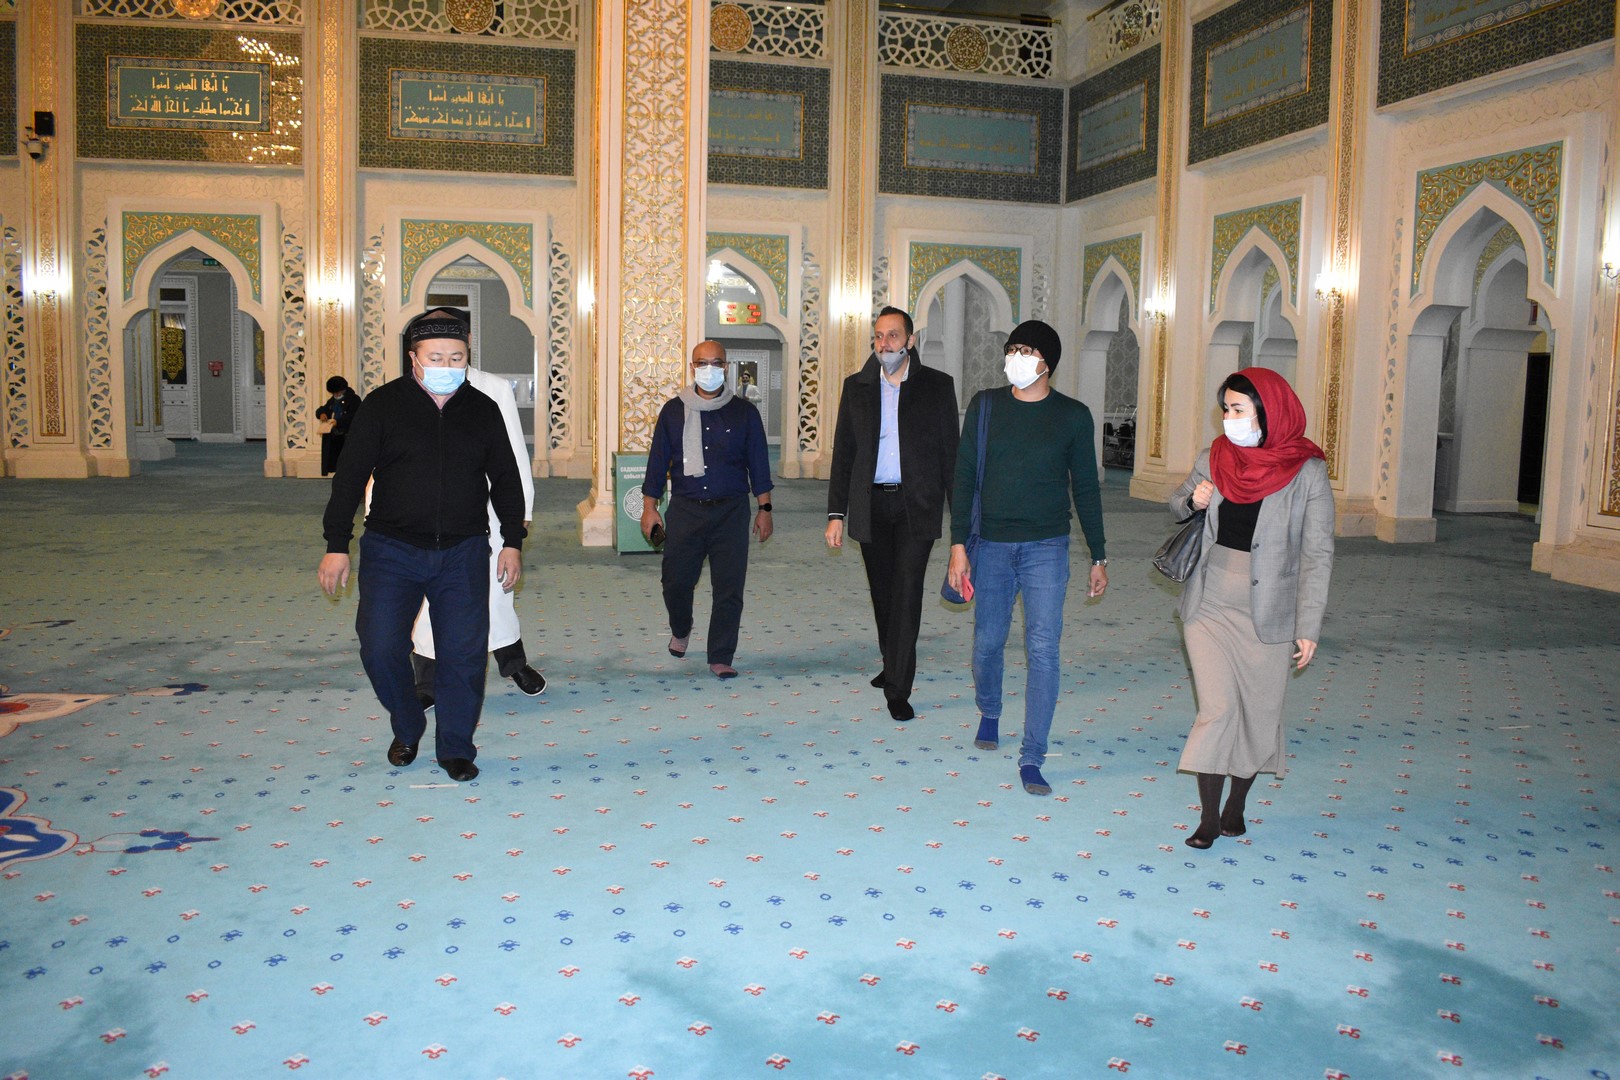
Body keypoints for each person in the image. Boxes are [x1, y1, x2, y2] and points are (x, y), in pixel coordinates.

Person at [317, 310, 526, 783]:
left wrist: (512, 541)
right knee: (379, 647)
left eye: (456, 357)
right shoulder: (383, 405)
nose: (446, 365)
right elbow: (349, 478)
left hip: (463, 550)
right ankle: (408, 723)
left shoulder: (482, 409)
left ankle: (456, 747)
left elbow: (506, 480)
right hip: (392, 549)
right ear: (413, 358)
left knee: (463, 655)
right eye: (435, 357)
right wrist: (336, 544)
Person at [1169, 367, 1335, 849]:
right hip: (1210, 601)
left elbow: (1318, 552)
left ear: (1268, 412)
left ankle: (1236, 805)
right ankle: (1207, 818)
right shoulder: (1215, 457)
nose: (1229, 418)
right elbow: (1175, 503)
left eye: (1238, 409)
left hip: (1270, 609)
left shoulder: (1307, 471)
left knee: (1259, 713)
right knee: (1217, 708)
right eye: (1226, 408)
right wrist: (1193, 500)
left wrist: (1309, 624)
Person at [946, 319, 1108, 796]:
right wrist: (958, 546)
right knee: (987, 642)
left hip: (1046, 547)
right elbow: (963, 478)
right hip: (992, 545)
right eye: (1012, 348)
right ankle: (990, 709)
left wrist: (1098, 554)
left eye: (1027, 350)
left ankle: (1033, 755)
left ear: (1047, 363)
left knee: (1043, 650)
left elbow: (1086, 489)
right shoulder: (986, 406)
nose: (1015, 357)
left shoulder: (1073, 416)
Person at [405, 310, 547, 705]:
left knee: (497, 592)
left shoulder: (493, 389)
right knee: (429, 601)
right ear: (417, 354)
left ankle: (513, 662)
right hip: (423, 517)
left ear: (466, 343)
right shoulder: (403, 394)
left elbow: (514, 456)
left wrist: (520, 516)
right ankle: (427, 682)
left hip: (488, 513)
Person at [825, 306, 960, 720]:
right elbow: (843, 453)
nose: (885, 344)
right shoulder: (856, 387)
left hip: (916, 507)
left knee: (906, 593)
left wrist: (961, 526)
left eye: (894, 336)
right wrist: (836, 513)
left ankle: (898, 688)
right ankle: (892, 660)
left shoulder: (937, 387)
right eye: (879, 336)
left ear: (910, 341)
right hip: (871, 505)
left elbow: (951, 457)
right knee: (883, 594)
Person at [640, 340, 774, 679]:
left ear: (726, 368)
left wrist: (765, 508)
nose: (709, 369)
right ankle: (681, 627)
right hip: (686, 510)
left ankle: (721, 655)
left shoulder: (745, 413)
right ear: (692, 367)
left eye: (716, 363)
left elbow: (758, 464)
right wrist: (649, 507)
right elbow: (658, 463)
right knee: (675, 582)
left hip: (731, 512)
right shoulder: (673, 411)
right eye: (702, 363)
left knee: (729, 587)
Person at [315, 375, 363, 476]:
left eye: (338, 392)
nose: (336, 395)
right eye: (334, 393)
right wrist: (321, 414)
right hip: (334, 436)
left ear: (343, 390)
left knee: (348, 462)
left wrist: (339, 422)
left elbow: (354, 416)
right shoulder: (332, 401)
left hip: (346, 435)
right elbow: (323, 409)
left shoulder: (354, 399)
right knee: (335, 463)